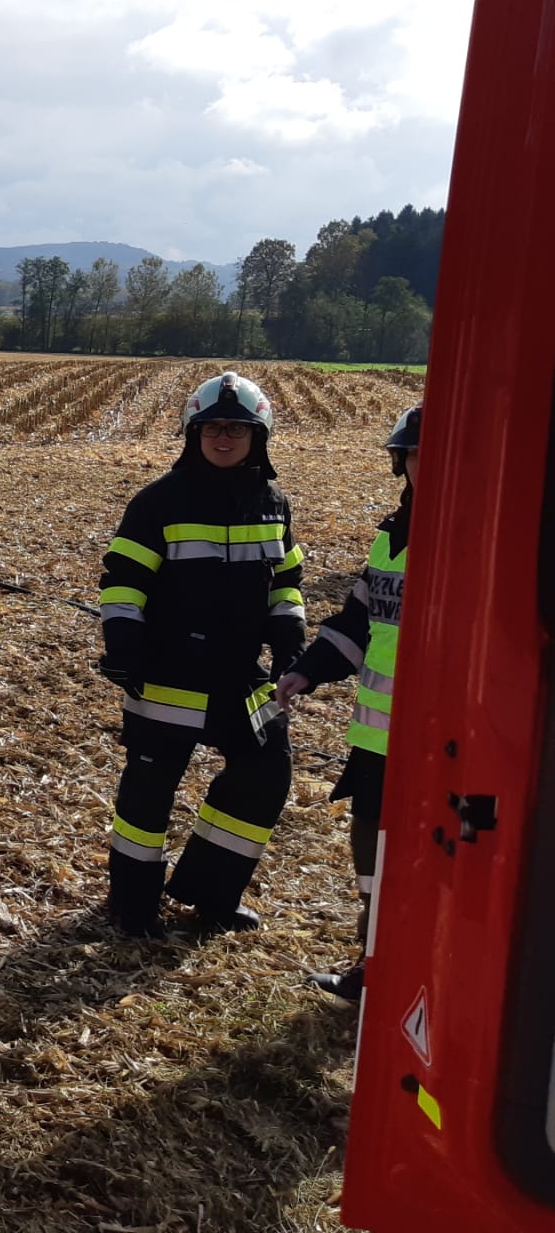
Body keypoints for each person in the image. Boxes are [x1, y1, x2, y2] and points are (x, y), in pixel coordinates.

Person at [97, 371, 306, 938]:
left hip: (241, 677)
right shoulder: (158, 502)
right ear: (194, 433)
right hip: (167, 675)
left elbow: (287, 582)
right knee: (148, 792)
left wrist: (290, 640)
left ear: (258, 435)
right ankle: (132, 906)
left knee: (265, 773)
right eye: (212, 427)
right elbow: (123, 581)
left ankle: (211, 894)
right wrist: (123, 646)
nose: (223, 437)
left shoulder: (273, 504)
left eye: (237, 428)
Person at [276, 404, 420, 1002]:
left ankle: (411, 973)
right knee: (371, 849)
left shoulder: (478, 539)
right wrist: (305, 672)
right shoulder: (392, 537)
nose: (426, 466)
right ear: (400, 462)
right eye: (416, 455)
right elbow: (360, 623)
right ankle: (375, 964)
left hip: (439, 743)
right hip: (378, 738)